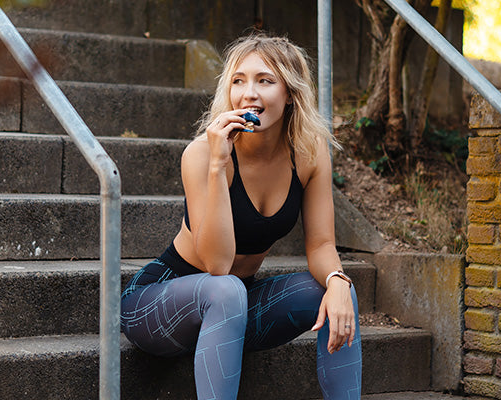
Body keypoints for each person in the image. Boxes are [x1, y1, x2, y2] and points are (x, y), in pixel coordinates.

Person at [120, 34, 362, 400]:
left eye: (265, 81)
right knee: (227, 288)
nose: (249, 93)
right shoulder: (203, 154)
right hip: (156, 308)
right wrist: (219, 165)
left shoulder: (309, 154)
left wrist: (338, 281)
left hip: (234, 310)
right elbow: (218, 265)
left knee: (337, 290)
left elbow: (322, 244)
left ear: (290, 93)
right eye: (238, 81)